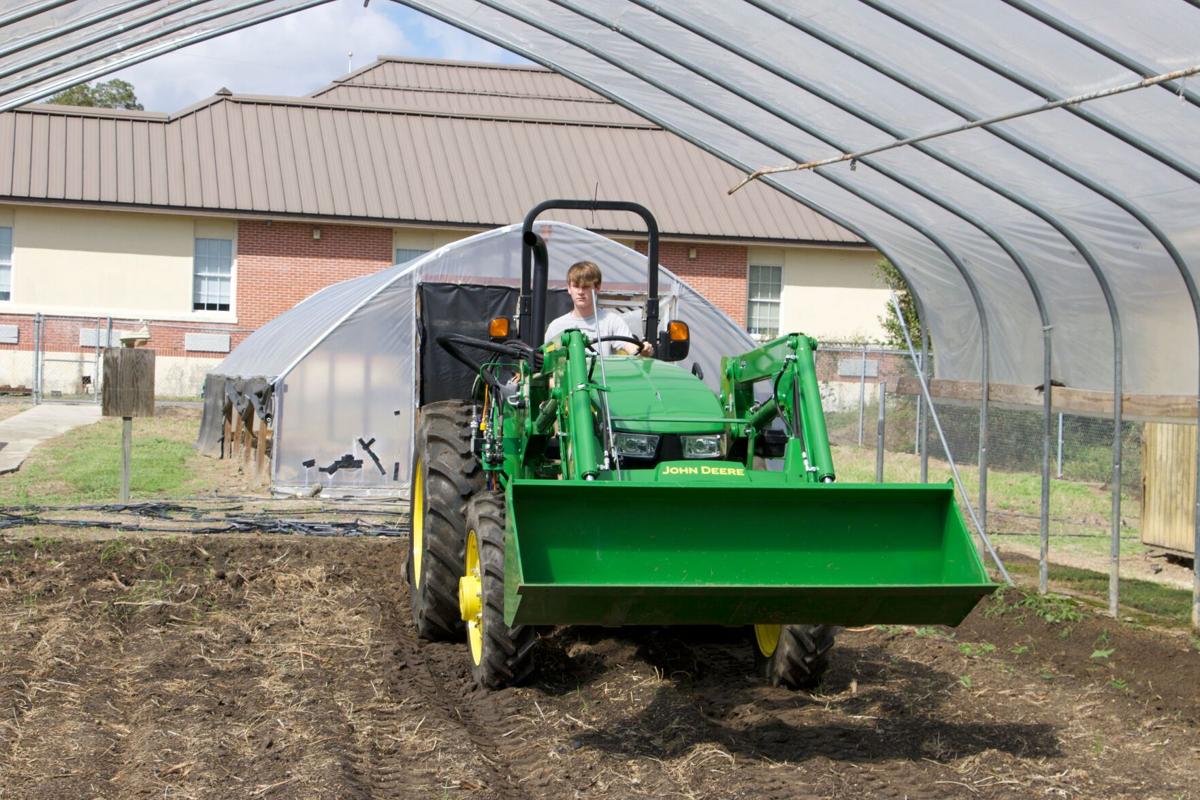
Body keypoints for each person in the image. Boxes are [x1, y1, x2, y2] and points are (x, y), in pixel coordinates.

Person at [543, 260, 653, 356]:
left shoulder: (612, 321)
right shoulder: (556, 327)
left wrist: (643, 350)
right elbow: (544, 361)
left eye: (585, 287)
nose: (580, 292)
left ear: (597, 288)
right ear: (569, 288)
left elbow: (630, 347)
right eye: (576, 286)